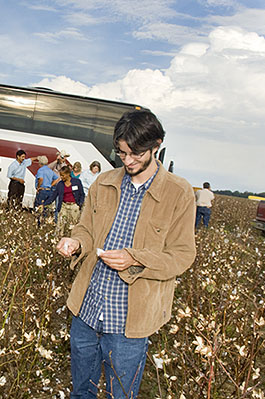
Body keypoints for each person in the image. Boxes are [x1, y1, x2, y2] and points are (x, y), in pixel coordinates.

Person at [56, 110, 196, 399]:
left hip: (129, 323)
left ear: (156, 145)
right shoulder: (104, 182)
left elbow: (182, 255)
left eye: (137, 154)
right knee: (81, 392)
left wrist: (136, 258)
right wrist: (77, 243)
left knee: (121, 395)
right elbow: (86, 229)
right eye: (122, 153)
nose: (129, 160)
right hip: (87, 310)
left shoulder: (178, 192)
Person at [43, 165, 85, 235]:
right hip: (64, 206)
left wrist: (79, 204)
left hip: (74, 206)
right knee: (60, 225)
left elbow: (82, 194)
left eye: (63, 175)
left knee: (72, 226)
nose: (61, 177)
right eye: (60, 175)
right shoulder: (60, 184)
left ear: (68, 174)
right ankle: (58, 239)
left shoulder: (77, 182)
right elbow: (53, 196)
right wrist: (44, 204)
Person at [34, 156, 59, 225]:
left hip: (42, 191)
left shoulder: (40, 170)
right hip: (49, 191)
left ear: (40, 163)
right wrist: (51, 185)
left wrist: (38, 187)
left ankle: (39, 224)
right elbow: (57, 178)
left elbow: (41, 179)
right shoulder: (50, 170)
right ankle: (44, 222)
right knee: (45, 208)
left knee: (39, 207)